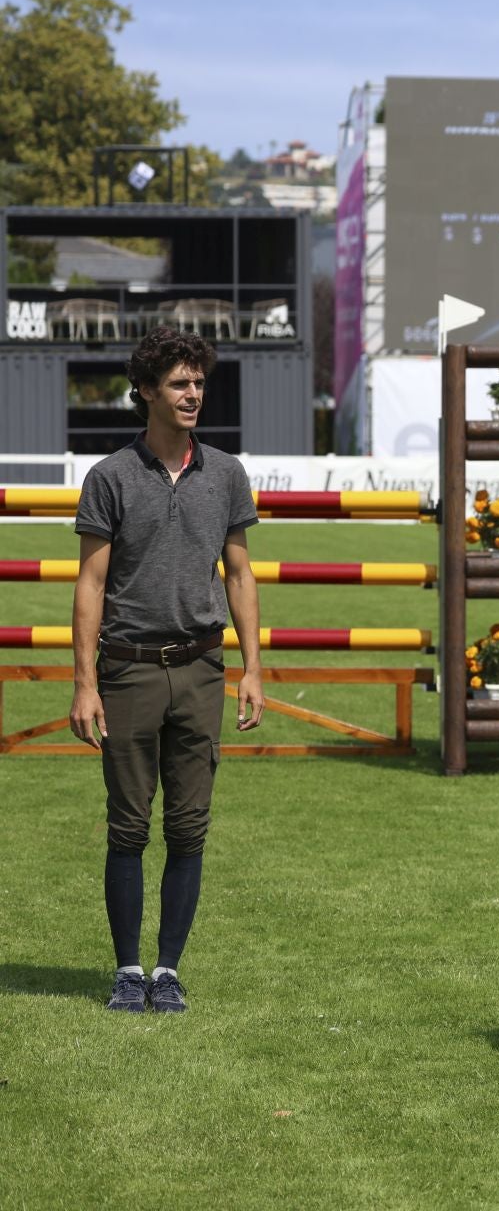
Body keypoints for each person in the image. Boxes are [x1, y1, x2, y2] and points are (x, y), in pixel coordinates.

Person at [68, 327, 264, 1015]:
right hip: (127, 672)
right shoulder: (110, 478)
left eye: (199, 383)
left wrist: (253, 669)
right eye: (179, 383)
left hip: (203, 667)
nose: (192, 395)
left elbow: (239, 576)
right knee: (128, 828)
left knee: (189, 829)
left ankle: (168, 971)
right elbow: (90, 585)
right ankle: (127, 971)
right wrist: (85, 682)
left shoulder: (227, 474)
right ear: (146, 391)